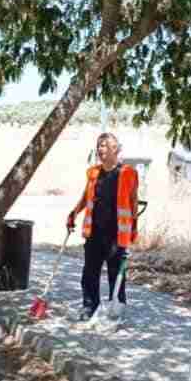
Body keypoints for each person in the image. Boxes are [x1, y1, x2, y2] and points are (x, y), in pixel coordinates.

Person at [66, 133, 139, 320]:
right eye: (99, 145)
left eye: (104, 145)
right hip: (95, 231)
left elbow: (133, 202)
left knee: (116, 272)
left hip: (116, 234)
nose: (100, 149)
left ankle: (117, 308)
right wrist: (74, 212)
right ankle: (90, 306)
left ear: (116, 149)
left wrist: (134, 227)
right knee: (90, 272)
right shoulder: (93, 173)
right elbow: (85, 196)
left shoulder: (128, 173)